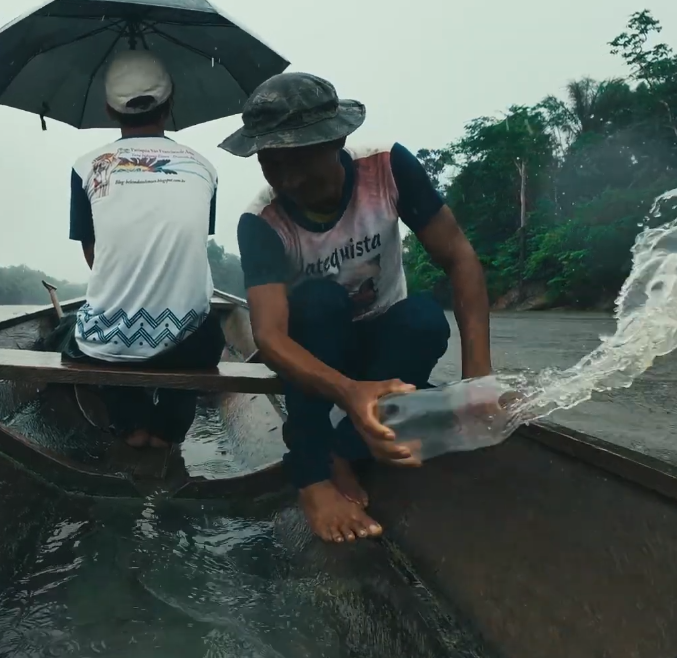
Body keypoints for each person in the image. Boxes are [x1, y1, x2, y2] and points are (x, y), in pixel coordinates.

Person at [219, 72, 492, 543]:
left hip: (384, 346)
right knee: (318, 302)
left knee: (425, 320)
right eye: (271, 164)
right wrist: (347, 391)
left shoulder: (386, 168)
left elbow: (460, 259)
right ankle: (312, 474)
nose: (288, 179)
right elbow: (270, 337)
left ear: (337, 140)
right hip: (316, 359)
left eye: (300, 160)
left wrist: (479, 381)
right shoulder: (262, 220)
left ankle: (348, 446)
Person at [64, 49, 225, 450]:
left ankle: (131, 426)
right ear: (170, 105)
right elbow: (188, 249)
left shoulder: (87, 166)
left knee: (75, 336)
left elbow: (94, 257)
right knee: (201, 331)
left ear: (108, 109)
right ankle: (168, 431)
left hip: (109, 344)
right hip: (189, 347)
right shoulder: (204, 168)